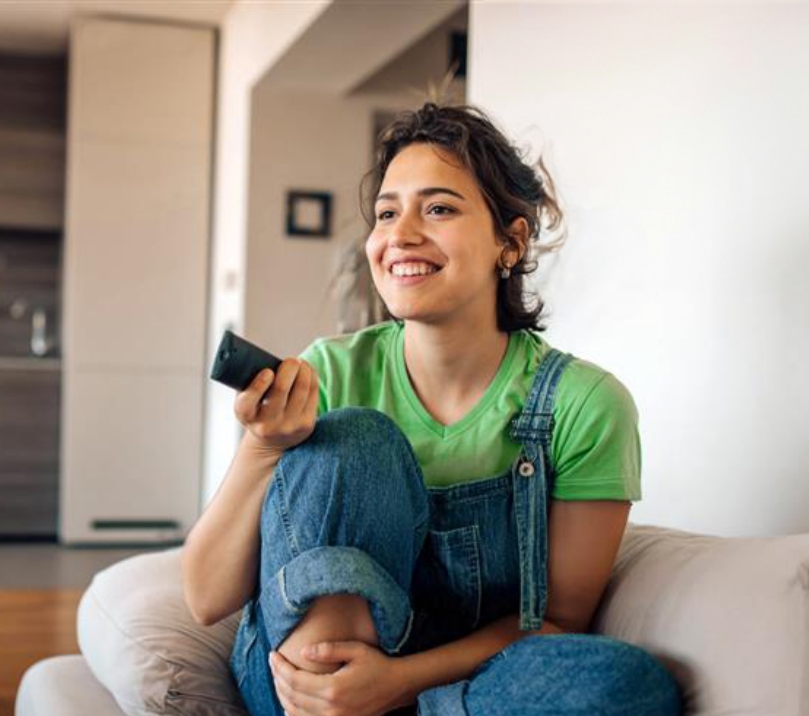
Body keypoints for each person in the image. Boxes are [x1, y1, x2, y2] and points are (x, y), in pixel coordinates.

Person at [181, 102, 682, 716]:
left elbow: (556, 622)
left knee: (628, 684)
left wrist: (398, 682)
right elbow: (206, 599)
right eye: (387, 213)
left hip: (457, 684)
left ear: (510, 241)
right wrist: (263, 448)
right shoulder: (331, 372)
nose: (400, 235)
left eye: (439, 208)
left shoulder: (584, 404)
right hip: (303, 686)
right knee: (357, 438)